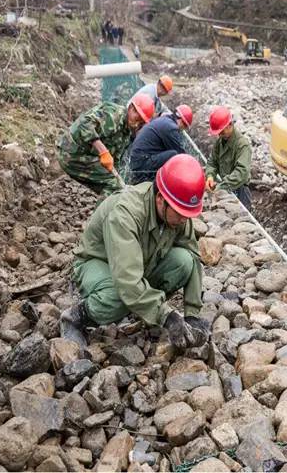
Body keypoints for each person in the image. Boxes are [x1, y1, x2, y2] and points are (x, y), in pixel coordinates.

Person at [59, 154, 210, 351]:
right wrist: (167, 316)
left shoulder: (176, 212)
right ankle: (76, 318)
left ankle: (142, 306)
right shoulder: (126, 214)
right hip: (97, 263)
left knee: (184, 261)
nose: (184, 220)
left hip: (139, 263)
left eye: (188, 214)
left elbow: (193, 255)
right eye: (181, 213)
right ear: (160, 199)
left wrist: (192, 315)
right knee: (121, 296)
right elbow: (128, 281)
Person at [57, 94, 154, 196]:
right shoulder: (113, 116)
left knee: (117, 189)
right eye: (137, 116)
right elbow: (85, 123)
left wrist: (120, 182)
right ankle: (103, 212)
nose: (137, 123)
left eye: (141, 122)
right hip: (71, 154)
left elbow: (114, 161)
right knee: (113, 186)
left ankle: (108, 209)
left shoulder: (127, 131)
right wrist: (103, 151)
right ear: (130, 108)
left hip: (86, 156)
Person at [129, 105, 194, 185]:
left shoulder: (164, 120)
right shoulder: (171, 128)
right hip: (142, 164)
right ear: (182, 121)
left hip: (138, 160)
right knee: (174, 155)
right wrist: (191, 169)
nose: (182, 130)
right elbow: (180, 154)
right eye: (185, 127)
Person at [205, 106, 252, 209]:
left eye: (221, 132)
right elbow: (212, 162)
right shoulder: (220, 142)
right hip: (226, 187)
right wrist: (210, 176)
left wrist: (221, 186)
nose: (220, 135)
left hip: (240, 191)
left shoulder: (242, 145)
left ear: (230, 125)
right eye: (218, 133)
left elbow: (241, 173)